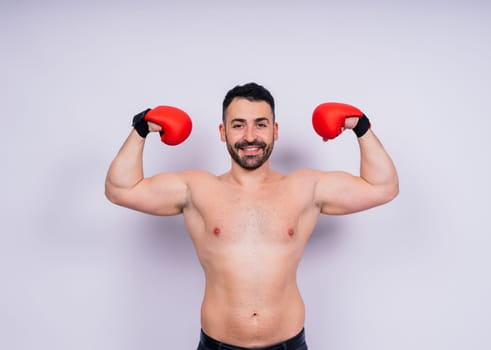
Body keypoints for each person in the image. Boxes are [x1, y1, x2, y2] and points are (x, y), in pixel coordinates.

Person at [105, 82, 399, 350]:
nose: (250, 136)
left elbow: (383, 186)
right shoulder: (197, 188)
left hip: (288, 345)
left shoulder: (305, 187)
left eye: (260, 124)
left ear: (275, 131)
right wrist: (140, 129)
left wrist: (361, 126)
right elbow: (121, 189)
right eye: (238, 125)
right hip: (218, 345)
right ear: (223, 133)